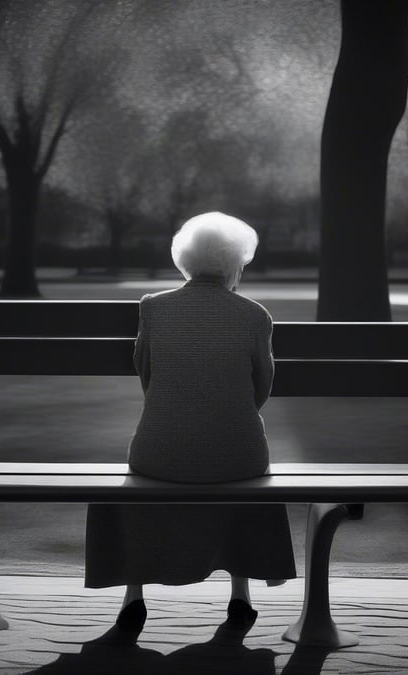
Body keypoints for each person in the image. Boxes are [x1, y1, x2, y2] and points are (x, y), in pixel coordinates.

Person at [85, 212, 296, 631]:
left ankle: (134, 597)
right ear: (236, 263)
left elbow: (147, 376)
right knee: (247, 480)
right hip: (237, 454)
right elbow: (262, 388)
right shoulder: (256, 316)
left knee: (137, 481)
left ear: (185, 259)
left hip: (161, 452)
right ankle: (240, 594)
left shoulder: (153, 308)